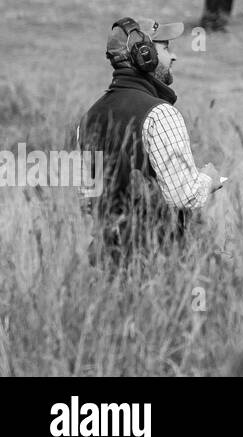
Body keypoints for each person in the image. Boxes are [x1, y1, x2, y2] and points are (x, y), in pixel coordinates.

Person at [74, 16, 224, 262]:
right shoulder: (160, 114)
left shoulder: (87, 118)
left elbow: (87, 200)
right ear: (144, 55)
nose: (173, 57)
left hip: (106, 258)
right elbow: (185, 196)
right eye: (165, 48)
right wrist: (209, 179)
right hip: (158, 259)